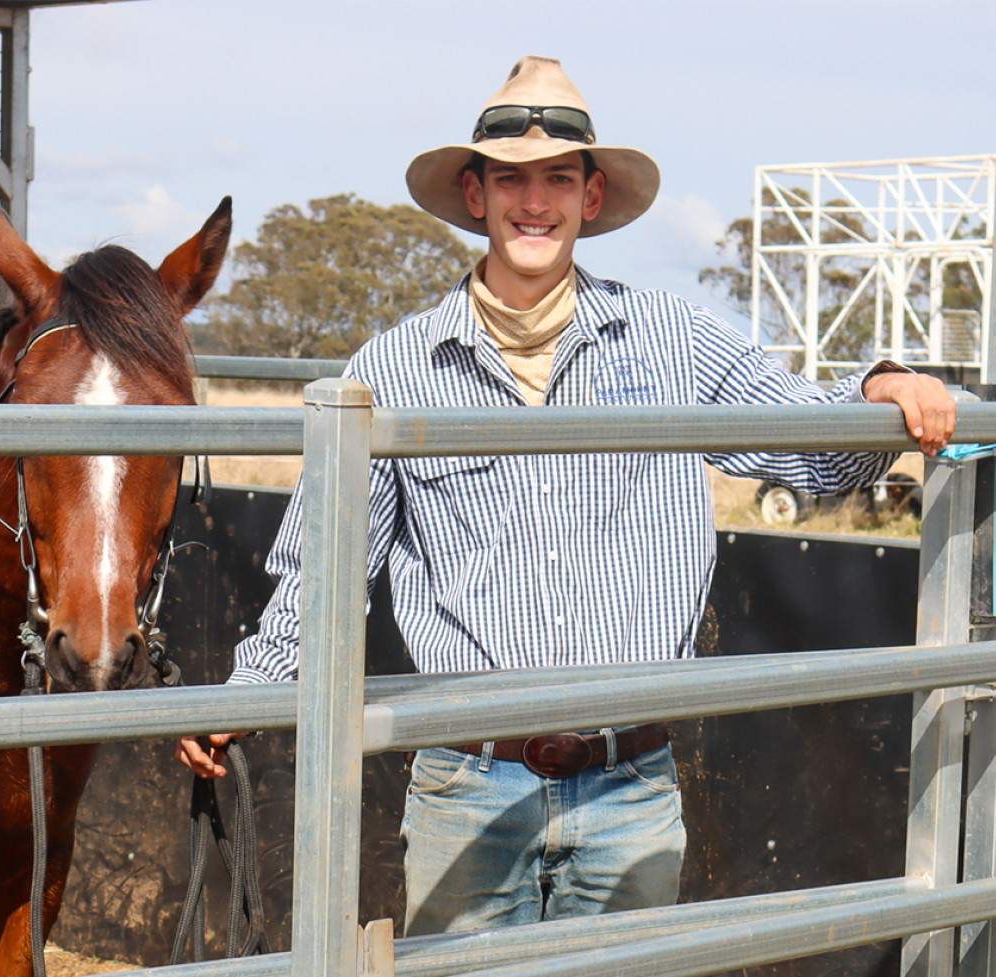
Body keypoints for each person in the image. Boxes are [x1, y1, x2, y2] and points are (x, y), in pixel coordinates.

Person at [176, 55, 956, 934]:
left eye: (558, 177)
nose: (533, 201)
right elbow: (323, 573)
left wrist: (881, 387)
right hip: (466, 782)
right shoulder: (391, 368)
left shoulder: (672, 341)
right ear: (475, 195)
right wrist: (245, 694)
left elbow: (812, 449)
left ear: (592, 197)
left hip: (631, 780)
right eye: (511, 178)